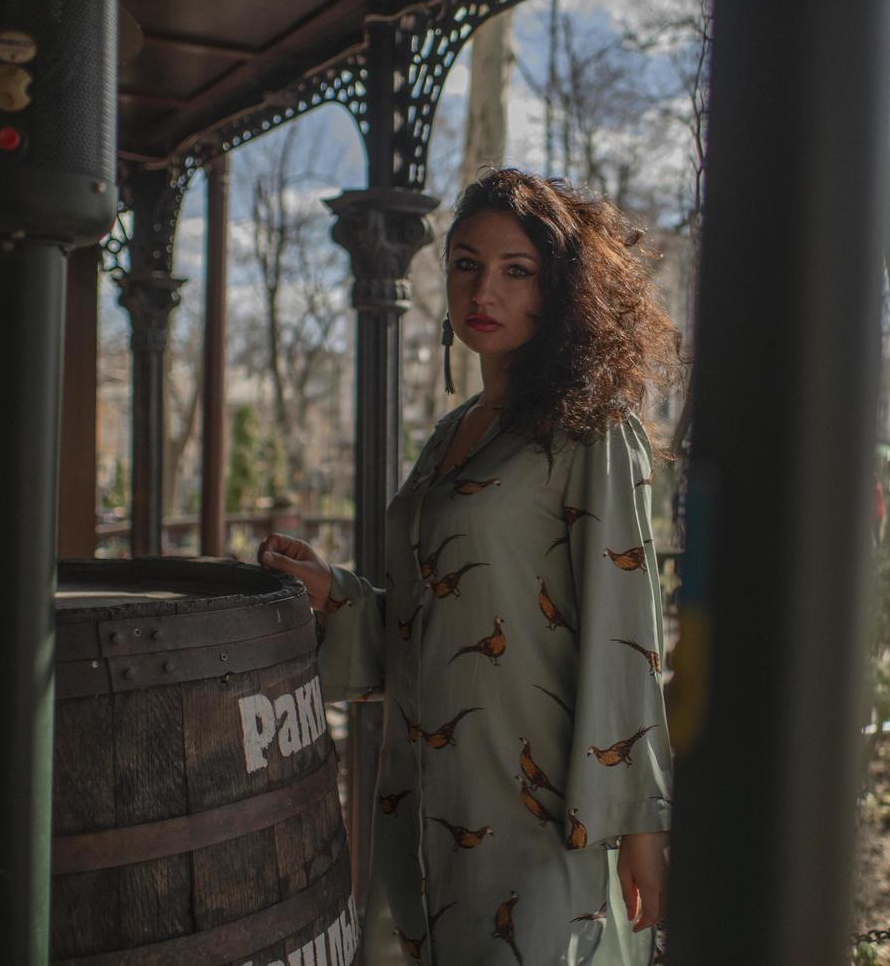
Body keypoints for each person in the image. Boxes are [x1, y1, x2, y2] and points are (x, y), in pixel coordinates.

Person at [259, 168, 681, 966]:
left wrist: (640, 822)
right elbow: (432, 623)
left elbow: (627, 628)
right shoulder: (450, 436)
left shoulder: (591, 431)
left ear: (555, 291)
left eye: (515, 270)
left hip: (541, 807)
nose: (483, 288)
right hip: (422, 800)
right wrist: (337, 595)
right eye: (465, 263)